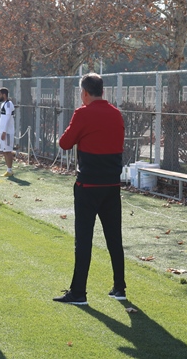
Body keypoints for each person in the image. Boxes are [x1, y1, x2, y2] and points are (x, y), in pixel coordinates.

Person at [53, 74, 126, 305]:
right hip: (112, 184)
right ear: (102, 91)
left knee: (83, 239)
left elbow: (65, 143)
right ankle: (120, 287)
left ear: (84, 92)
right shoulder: (116, 113)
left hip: (88, 184)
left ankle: (79, 292)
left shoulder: (82, 113)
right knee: (114, 238)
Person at [0, 87, 15, 177]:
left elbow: (7, 118)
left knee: (8, 151)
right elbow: (2, 119)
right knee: (4, 151)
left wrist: (4, 131)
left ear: (4, 95)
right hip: (2, 131)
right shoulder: (3, 104)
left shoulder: (9, 104)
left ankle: (10, 170)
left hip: (7, 132)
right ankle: (8, 170)